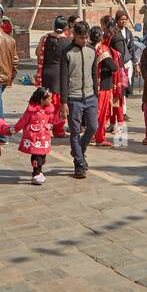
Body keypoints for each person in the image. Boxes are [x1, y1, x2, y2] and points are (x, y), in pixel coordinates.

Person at [56, 22, 99, 178]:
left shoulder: (92, 51)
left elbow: (94, 74)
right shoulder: (67, 53)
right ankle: (79, 163)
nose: (85, 41)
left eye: (87, 37)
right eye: (82, 38)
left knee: (93, 127)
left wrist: (96, 95)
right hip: (73, 98)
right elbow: (63, 78)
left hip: (90, 96)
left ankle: (79, 150)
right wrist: (64, 102)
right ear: (75, 36)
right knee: (74, 131)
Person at [13, 87, 55, 185]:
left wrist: (60, 119)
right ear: (42, 100)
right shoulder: (31, 111)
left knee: (43, 156)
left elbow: (52, 120)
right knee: (37, 156)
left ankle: (39, 171)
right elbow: (23, 120)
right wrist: (14, 129)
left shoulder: (49, 110)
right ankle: (36, 173)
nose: (51, 100)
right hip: (34, 137)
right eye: (49, 99)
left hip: (44, 137)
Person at [91, 26, 119, 145]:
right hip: (103, 85)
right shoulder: (102, 49)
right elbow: (113, 67)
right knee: (101, 114)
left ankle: (91, 135)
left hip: (91, 85)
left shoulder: (87, 48)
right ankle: (99, 137)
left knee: (93, 113)